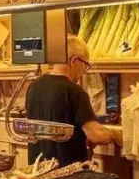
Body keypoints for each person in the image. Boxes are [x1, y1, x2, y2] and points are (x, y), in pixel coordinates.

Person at [25, 35, 122, 166]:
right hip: (67, 173)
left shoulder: (34, 86)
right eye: (85, 65)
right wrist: (115, 134)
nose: (84, 71)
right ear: (74, 61)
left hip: (38, 171)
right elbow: (95, 135)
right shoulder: (75, 91)